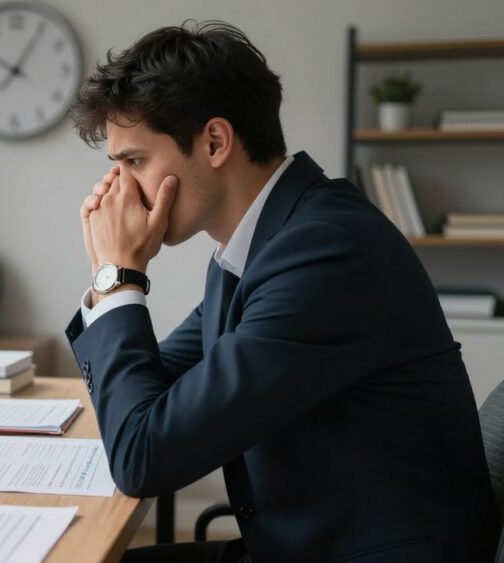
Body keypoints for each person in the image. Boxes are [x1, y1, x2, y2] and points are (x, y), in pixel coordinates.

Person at [66, 20, 499, 563]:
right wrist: (111, 281)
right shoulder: (262, 245)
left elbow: (146, 457)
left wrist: (117, 273)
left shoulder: (323, 255)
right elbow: (151, 387)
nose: (121, 188)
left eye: (135, 161)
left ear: (215, 142)